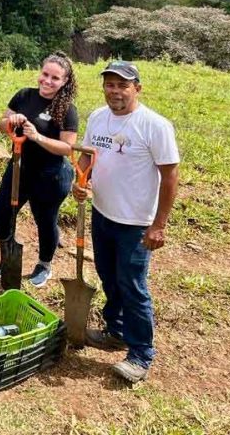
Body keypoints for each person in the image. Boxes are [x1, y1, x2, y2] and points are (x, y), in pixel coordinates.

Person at [73, 61, 179, 385]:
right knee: (109, 276)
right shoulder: (97, 117)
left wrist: (159, 225)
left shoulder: (154, 126)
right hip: (102, 213)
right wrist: (80, 179)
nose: (115, 91)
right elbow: (88, 155)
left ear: (137, 89)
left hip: (136, 223)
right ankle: (116, 331)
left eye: (123, 85)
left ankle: (141, 354)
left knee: (132, 286)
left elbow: (170, 175)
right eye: (110, 84)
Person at [0, 52, 80, 288]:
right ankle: (8, 256)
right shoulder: (24, 95)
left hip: (51, 174)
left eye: (55, 78)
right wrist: (11, 122)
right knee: (1, 214)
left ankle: (44, 264)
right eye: (45, 74)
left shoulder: (67, 109)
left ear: (65, 81)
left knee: (45, 220)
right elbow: (1, 124)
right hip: (19, 168)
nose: (47, 81)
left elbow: (67, 148)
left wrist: (37, 136)